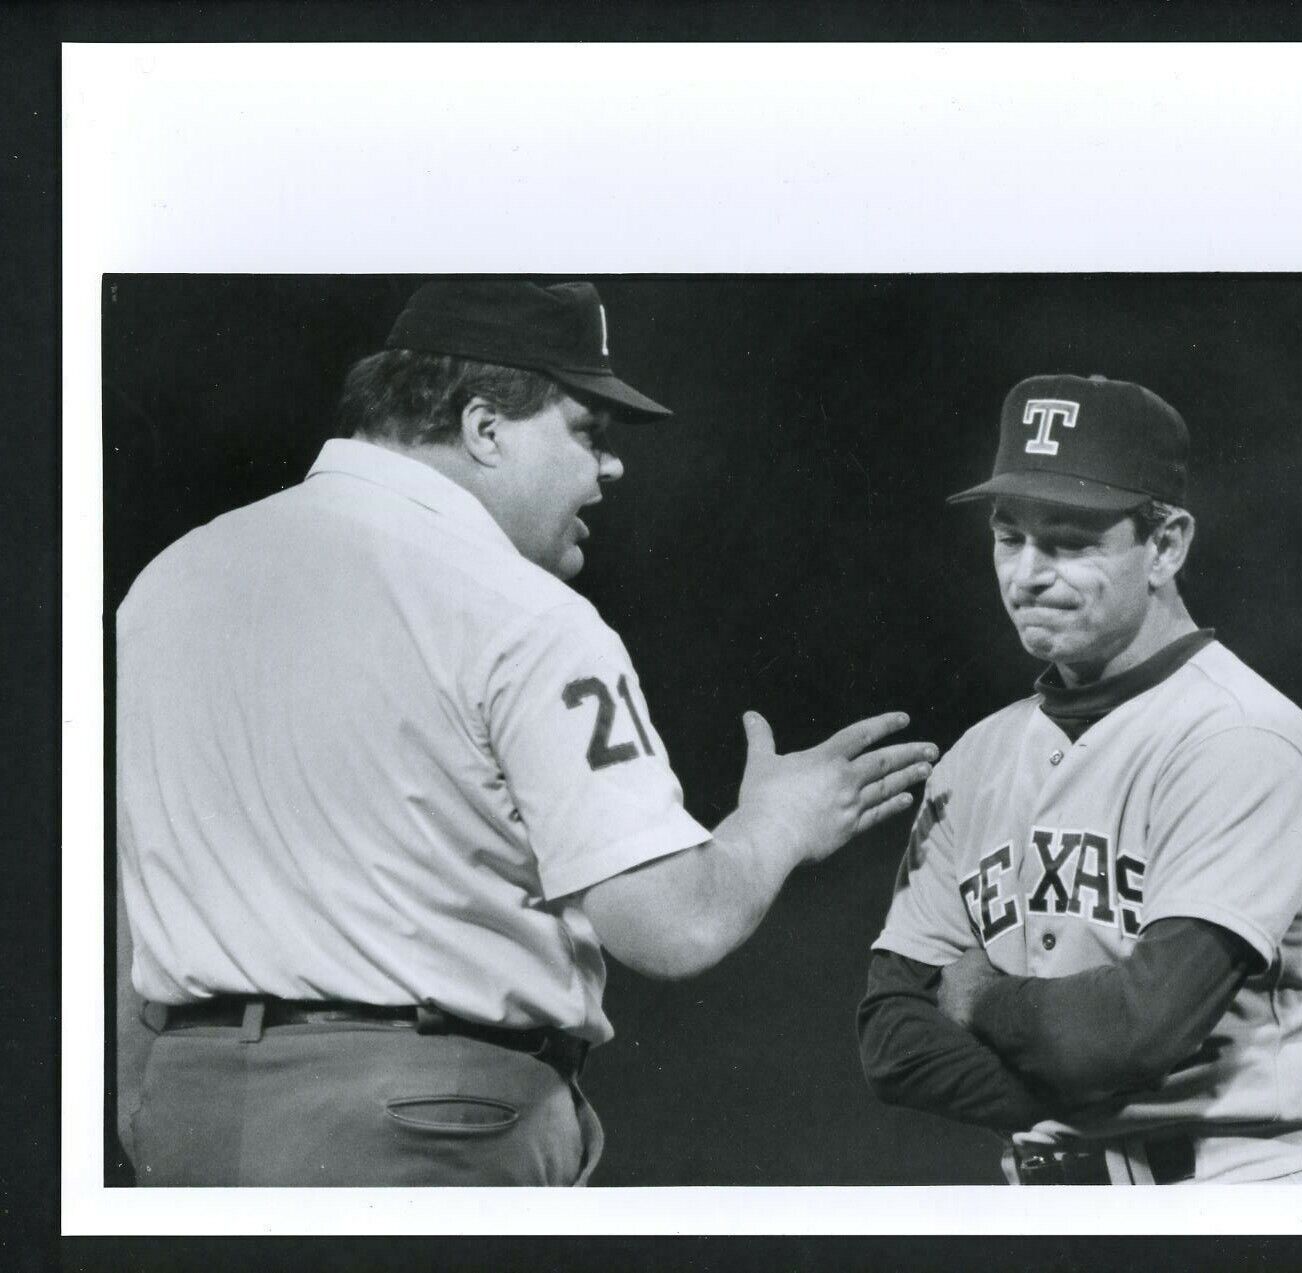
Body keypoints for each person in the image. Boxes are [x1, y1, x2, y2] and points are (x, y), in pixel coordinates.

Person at [115, 278, 938, 1186]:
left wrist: (149, 1095)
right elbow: (671, 922)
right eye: (587, 430)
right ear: (483, 427)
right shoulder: (518, 609)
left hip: (183, 1110)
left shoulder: (170, 581)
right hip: (425, 1124)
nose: (609, 468)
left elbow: (137, 899)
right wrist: (777, 822)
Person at [857, 373, 1302, 1185]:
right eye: (1007, 535)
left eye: (1068, 540)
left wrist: (979, 996)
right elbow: (890, 1041)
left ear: (1164, 545)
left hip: (1233, 1196)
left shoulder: (1241, 738)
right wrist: (1074, 1083)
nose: (1026, 574)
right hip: (1039, 1201)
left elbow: (1130, 1032)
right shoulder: (975, 759)